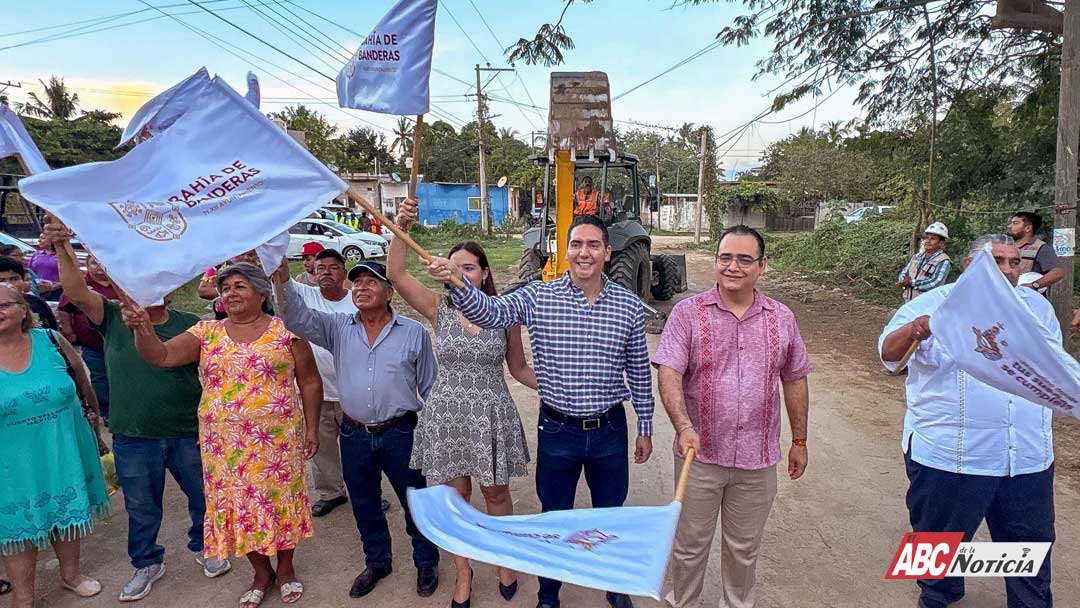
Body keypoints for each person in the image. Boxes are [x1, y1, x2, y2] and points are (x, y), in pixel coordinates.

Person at [426, 213, 654, 608]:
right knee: (553, 518)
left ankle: (615, 588)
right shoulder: (538, 296)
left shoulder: (628, 306)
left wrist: (645, 426)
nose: (584, 252)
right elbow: (490, 313)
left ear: (607, 252)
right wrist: (458, 282)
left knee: (609, 516)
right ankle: (549, 595)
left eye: (593, 245)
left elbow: (638, 370)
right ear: (565, 251)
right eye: (576, 244)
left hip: (609, 431)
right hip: (558, 431)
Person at [44, 220, 234, 601]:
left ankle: (206, 545)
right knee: (141, 506)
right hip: (133, 433)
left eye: (161, 283)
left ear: (172, 289)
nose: (153, 289)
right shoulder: (113, 316)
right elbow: (76, 291)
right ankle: (146, 562)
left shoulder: (191, 325)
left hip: (187, 430)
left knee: (203, 495)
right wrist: (63, 247)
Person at [126, 263, 323, 608]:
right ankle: (261, 574)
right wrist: (142, 329)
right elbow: (161, 356)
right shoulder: (206, 332)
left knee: (279, 504)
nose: (231, 293)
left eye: (239, 286)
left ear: (261, 294)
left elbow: (309, 381)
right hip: (225, 448)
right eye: (226, 288)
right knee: (238, 508)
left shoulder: (286, 331)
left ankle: (286, 569)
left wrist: (312, 428)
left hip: (277, 444)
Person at [879, 234, 1056, 608]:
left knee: (1031, 546)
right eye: (997, 262)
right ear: (968, 267)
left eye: (1014, 262)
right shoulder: (932, 305)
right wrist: (916, 329)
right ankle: (938, 595)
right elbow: (889, 358)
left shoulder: (1038, 309)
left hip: (1026, 456)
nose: (1008, 270)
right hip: (951, 457)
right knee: (937, 543)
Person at [653, 225, 812, 608]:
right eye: (725, 258)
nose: (733, 267)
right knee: (689, 546)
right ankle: (684, 603)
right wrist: (683, 426)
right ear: (716, 261)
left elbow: (795, 378)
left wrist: (799, 440)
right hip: (699, 458)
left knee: (743, 550)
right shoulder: (688, 314)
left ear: (762, 266)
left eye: (744, 259)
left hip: (757, 462)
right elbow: (669, 371)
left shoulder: (782, 318)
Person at [390, 198, 536, 607]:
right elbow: (396, 274)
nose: (459, 272)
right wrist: (401, 225)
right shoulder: (438, 308)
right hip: (447, 415)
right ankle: (463, 570)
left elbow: (519, 368)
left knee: (496, 495)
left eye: (468, 267)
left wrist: (562, 387)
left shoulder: (504, 313)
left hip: (491, 414)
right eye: (453, 266)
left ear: (485, 272)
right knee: (456, 498)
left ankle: (503, 558)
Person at [275, 259, 441, 600]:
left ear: (389, 292)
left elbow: (429, 385)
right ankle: (377, 562)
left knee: (415, 501)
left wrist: (438, 432)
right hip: (354, 435)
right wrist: (284, 280)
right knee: (364, 504)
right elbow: (296, 319)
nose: (362, 287)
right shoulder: (338, 327)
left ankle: (426, 562)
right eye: (358, 282)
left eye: (371, 281)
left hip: (400, 432)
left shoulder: (413, 332)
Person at [0, 283, 109, 608]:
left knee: (66, 509)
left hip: (63, 445)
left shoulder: (51, 340)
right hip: (11, 460)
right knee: (18, 526)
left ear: (23, 310)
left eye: (4, 305)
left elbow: (81, 381)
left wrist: (95, 425)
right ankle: (23, 596)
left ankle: (71, 575)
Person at [284, 247, 354, 518]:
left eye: (333, 268)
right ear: (313, 272)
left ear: (344, 274)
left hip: (353, 393)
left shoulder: (357, 301)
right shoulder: (306, 295)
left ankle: (366, 491)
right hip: (319, 392)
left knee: (359, 450)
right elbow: (281, 278)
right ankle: (331, 493)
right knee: (322, 447)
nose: (326, 272)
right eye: (321, 268)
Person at [57, 255, 117, 424]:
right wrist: (68, 331)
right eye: (94, 264)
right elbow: (63, 310)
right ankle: (106, 411)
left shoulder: (120, 284)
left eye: (102, 263)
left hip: (119, 343)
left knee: (120, 376)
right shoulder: (80, 285)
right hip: (92, 344)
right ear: (87, 266)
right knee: (100, 376)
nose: (98, 267)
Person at [1006, 211, 1063, 293]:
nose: (1009, 226)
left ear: (1028, 228)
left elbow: (1058, 272)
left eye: (1015, 223)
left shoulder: (1041, 248)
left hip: (1027, 297)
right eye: (1011, 223)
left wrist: (1034, 285)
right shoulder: (1006, 246)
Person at [897, 222, 952, 302]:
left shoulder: (944, 260)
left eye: (932, 239)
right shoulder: (917, 257)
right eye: (926, 238)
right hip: (909, 302)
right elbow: (904, 272)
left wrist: (911, 283)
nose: (928, 241)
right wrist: (903, 280)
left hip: (927, 304)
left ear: (941, 243)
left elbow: (934, 283)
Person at [199, 251, 262, 319]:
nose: (246, 257)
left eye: (251, 255)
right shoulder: (218, 266)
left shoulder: (264, 268)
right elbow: (203, 291)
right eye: (242, 254)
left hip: (255, 314)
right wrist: (226, 291)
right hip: (224, 315)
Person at [0, 256, 58, 331]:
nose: (9, 284)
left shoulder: (36, 302)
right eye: (1, 281)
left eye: (14, 279)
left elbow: (52, 330)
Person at [28, 232, 61, 300]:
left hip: (57, 291)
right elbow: (30, 272)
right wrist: (36, 283)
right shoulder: (36, 254)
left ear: (52, 240)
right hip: (38, 290)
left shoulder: (61, 256)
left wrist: (54, 286)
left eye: (43, 238)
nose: (39, 240)